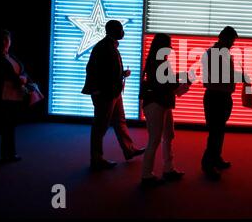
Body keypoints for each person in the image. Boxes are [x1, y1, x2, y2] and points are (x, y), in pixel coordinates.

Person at [82, 20, 145, 171]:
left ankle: (128, 150)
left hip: (112, 92)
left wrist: (122, 74)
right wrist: (97, 89)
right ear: (112, 30)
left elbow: (106, 71)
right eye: (120, 29)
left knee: (119, 121)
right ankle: (96, 159)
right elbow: (92, 69)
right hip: (106, 94)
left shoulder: (109, 46)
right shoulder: (104, 47)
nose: (123, 32)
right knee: (100, 126)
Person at [140, 33, 191, 188]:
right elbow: (162, 84)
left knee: (167, 135)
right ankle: (147, 175)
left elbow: (163, 82)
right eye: (168, 46)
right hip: (157, 103)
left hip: (160, 103)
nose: (170, 49)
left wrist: (179, 79)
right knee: (156, 139)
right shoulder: (159, 63)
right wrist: (181, 81)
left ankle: (167, 169)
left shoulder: (157, 61)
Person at [201, 26, 249, 180]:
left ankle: (216, 158)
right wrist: (239, 77)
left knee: (219, 131)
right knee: (216, 131)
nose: (232, 44)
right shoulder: (215, 54)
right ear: (223, 37)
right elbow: (218, 77)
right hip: (217, 97)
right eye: (231, 40)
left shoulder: (221, 53)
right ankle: (208, 164)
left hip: (221, 96)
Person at [0, 29, 26, 162]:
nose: (5, 42)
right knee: (3, 126)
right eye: (3, 39)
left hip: (15, 95)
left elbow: (22, 70)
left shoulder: (12, 56)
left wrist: (24, 79)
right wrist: (19, 80)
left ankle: (9, 153)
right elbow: (1, 75)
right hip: (3, 96)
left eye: (7, 39)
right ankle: (7, 154)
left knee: (10, 126)